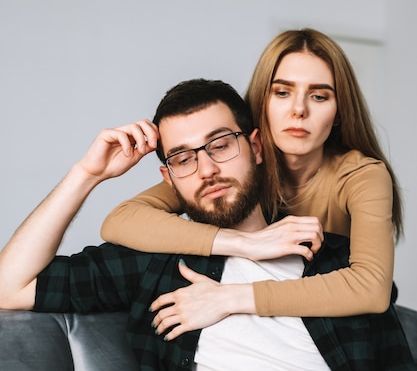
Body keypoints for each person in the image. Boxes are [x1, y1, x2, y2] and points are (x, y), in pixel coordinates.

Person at [0, 79, 416, 371]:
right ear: (168, 178)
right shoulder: (155, 264)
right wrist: (87, 173)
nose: (206, 169)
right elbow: (10, 286)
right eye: (183, 158)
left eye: (220, 144)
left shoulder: (339, 264)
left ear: (256, 146)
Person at [100, 28, 401, 325]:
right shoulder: (237, 160)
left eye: (319, 96)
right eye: (282, 92)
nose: (299, 110)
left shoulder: (361, 176)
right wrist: (245, 244)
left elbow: (372, 289)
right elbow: (121, 220)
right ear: (262, 100)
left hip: (339, 329)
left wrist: (229, 298)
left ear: (339, 112)